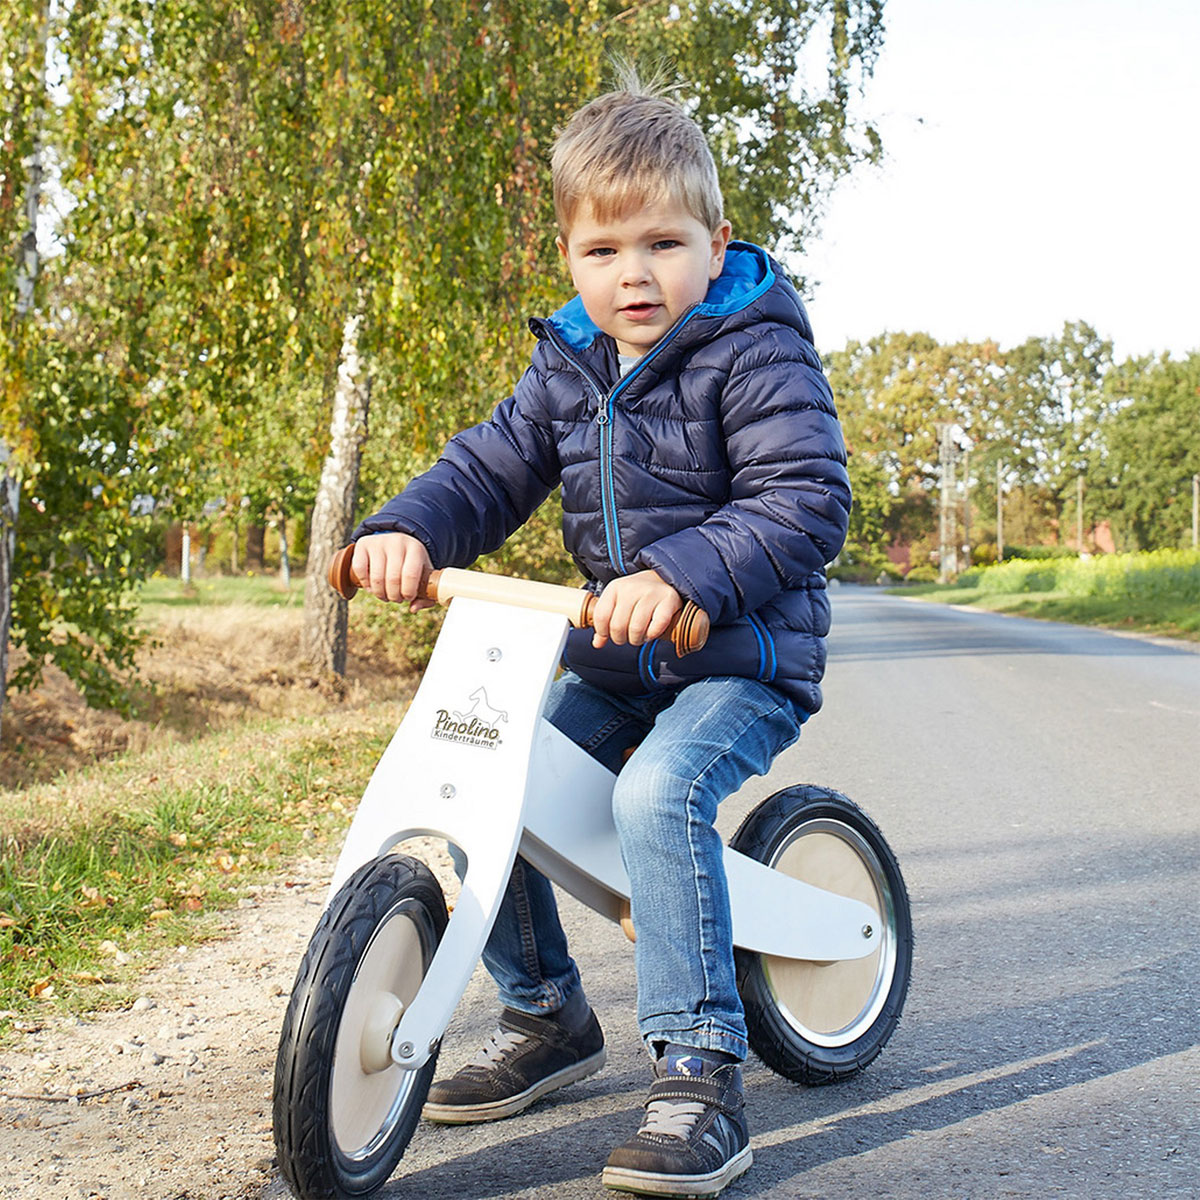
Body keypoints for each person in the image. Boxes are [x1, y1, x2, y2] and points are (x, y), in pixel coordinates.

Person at [349, 69, 850, 1200]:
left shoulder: (754, 349)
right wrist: (404, 532)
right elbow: (488, 466)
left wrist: (683, 574)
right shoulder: (568, 364)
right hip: (619, 655)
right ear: (568, 257)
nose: (635, 274)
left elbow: (805, 497)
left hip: (743, 652)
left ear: (717, 244)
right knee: (498, 764)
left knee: (650, 794)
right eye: (605, 250)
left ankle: (699, 1067)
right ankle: (547, 1017)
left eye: (664, 243)